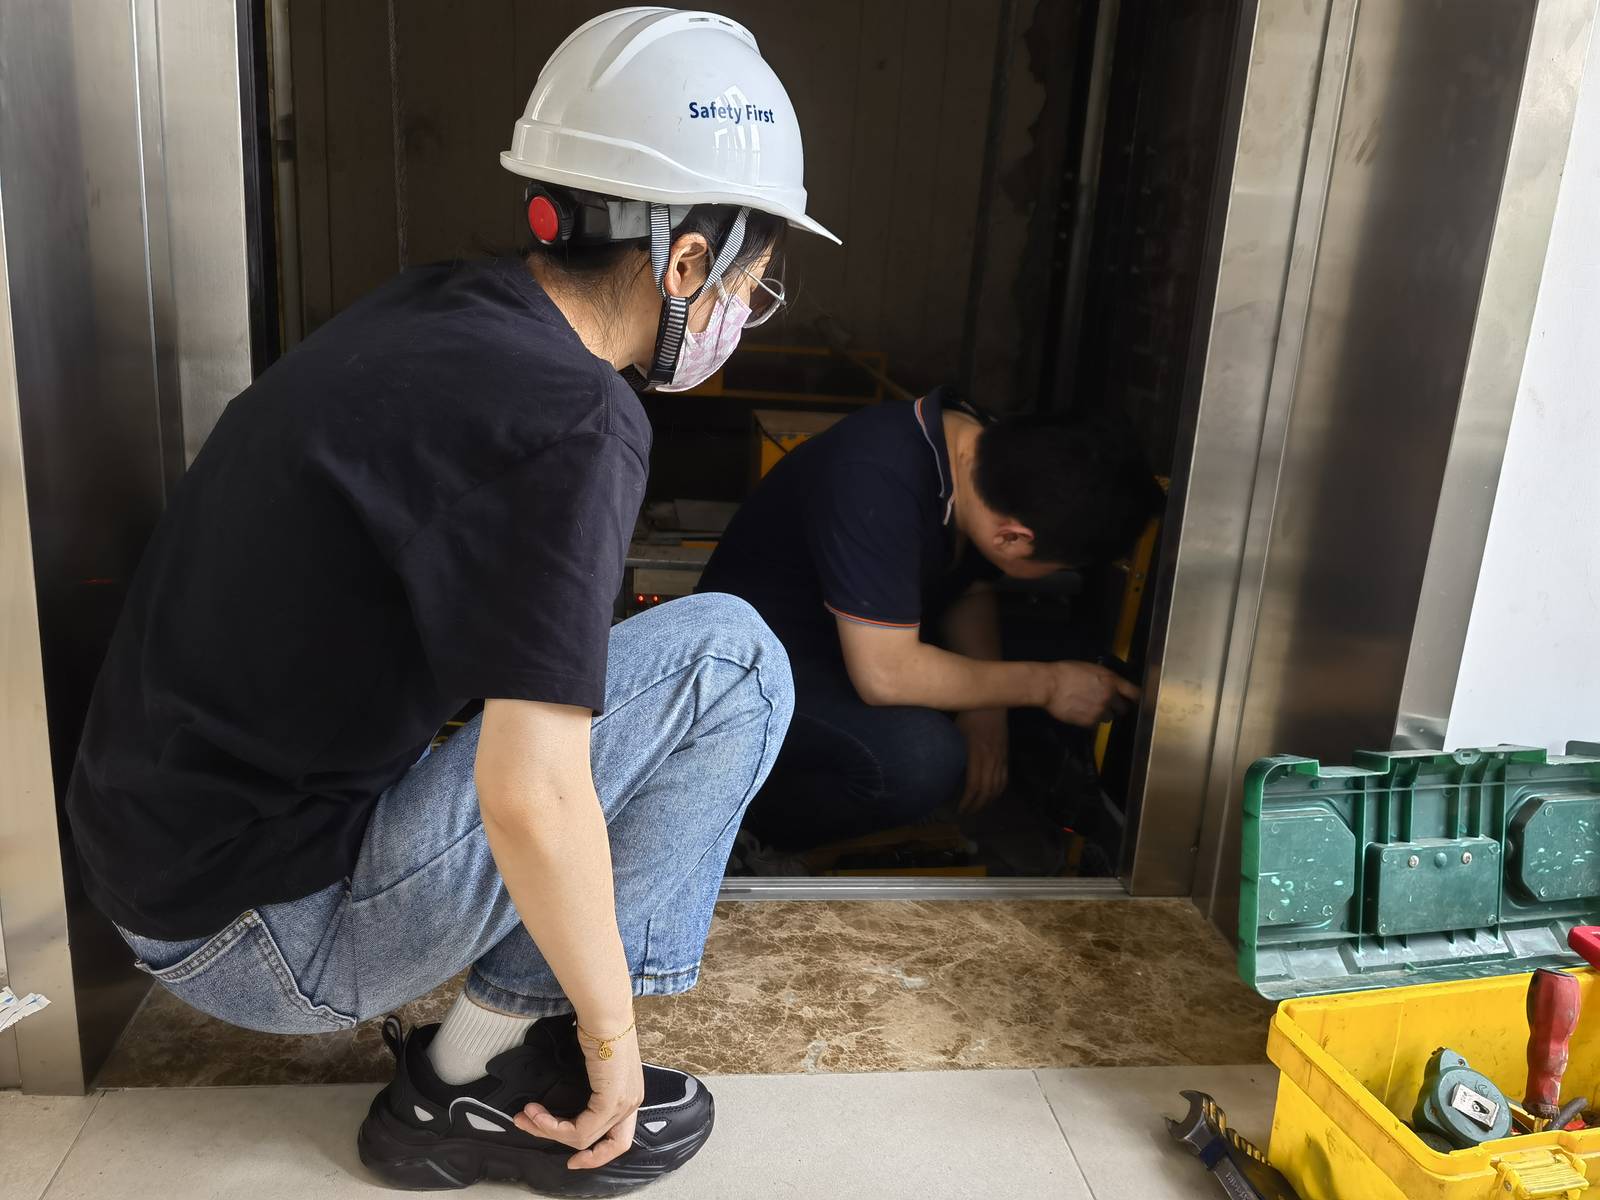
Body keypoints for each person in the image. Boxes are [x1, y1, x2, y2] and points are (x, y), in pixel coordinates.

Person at [63, 9, 836, 1195]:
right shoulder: (574, 414)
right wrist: (613, 1044)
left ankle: (485, 1055)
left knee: (634, 690)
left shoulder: (438, 310)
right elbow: (528, 793)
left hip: (159, 867)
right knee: (728, 658)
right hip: (263, 940)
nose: (744, 312)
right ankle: (474, 1078)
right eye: (753, 282)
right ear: (685, 261)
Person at [698, 388, 1163, 852]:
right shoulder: (875, 478)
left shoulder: (980, 448)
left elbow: (968, 583)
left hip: (851, 647)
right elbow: (886, 675)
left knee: (1053, 652)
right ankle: (735, 826)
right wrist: (1048, 686)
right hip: (750, 669)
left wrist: (989, 710)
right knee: (921, 756)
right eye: (1059, 567)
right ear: (1013, 538)